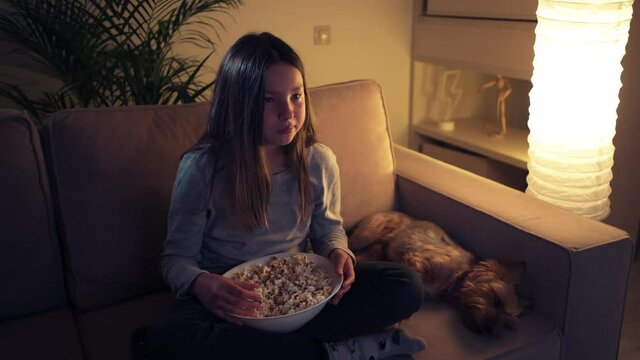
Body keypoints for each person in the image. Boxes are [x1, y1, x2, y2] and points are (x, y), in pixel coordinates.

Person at [147, 32, 426, 360]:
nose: (288, 112)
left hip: (302, 293)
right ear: (240, 103)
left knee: (405, 284)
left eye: (296, 96)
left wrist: (339, 251)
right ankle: (339, 351)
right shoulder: (202, 168)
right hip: (232, 303)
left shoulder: (318, 160)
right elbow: (175, 260)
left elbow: (329, 229)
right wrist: (203, 285)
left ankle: (288, 352)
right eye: (269, 100)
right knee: (168, 337)